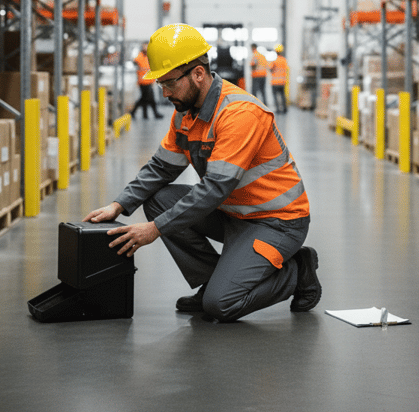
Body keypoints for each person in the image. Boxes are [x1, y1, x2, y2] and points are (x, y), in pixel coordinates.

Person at [84, 23, 321, 322]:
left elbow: (214, 188)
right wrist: (118, 204)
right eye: (160, 84)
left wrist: (154, 229)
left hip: (276, 221)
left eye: (169, 82)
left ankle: (298, 272)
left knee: (221, 305)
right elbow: (161, 167)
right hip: (234, 214)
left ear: (198, 73)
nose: (164, 91)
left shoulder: (239, 114)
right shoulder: (186, 112)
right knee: (160, 200)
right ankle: (213, 281)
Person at [130, 42, 163, 119]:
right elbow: (135, 63)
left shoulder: (149, 57)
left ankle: (144, 115)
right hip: (143, 81)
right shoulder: (139, 57)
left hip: (149, 81)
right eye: (145, 46)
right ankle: (154, 113)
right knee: (149, 98)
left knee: (145, 98)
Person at [270, 43, 289, 114]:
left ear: (275, 51)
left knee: (275, 96)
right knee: (282, 96)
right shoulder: (284, 60)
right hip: (282, 82)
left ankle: (278, 109)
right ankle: (284, 109)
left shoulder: (274, 61)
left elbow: (271, 69)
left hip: (275, 82)